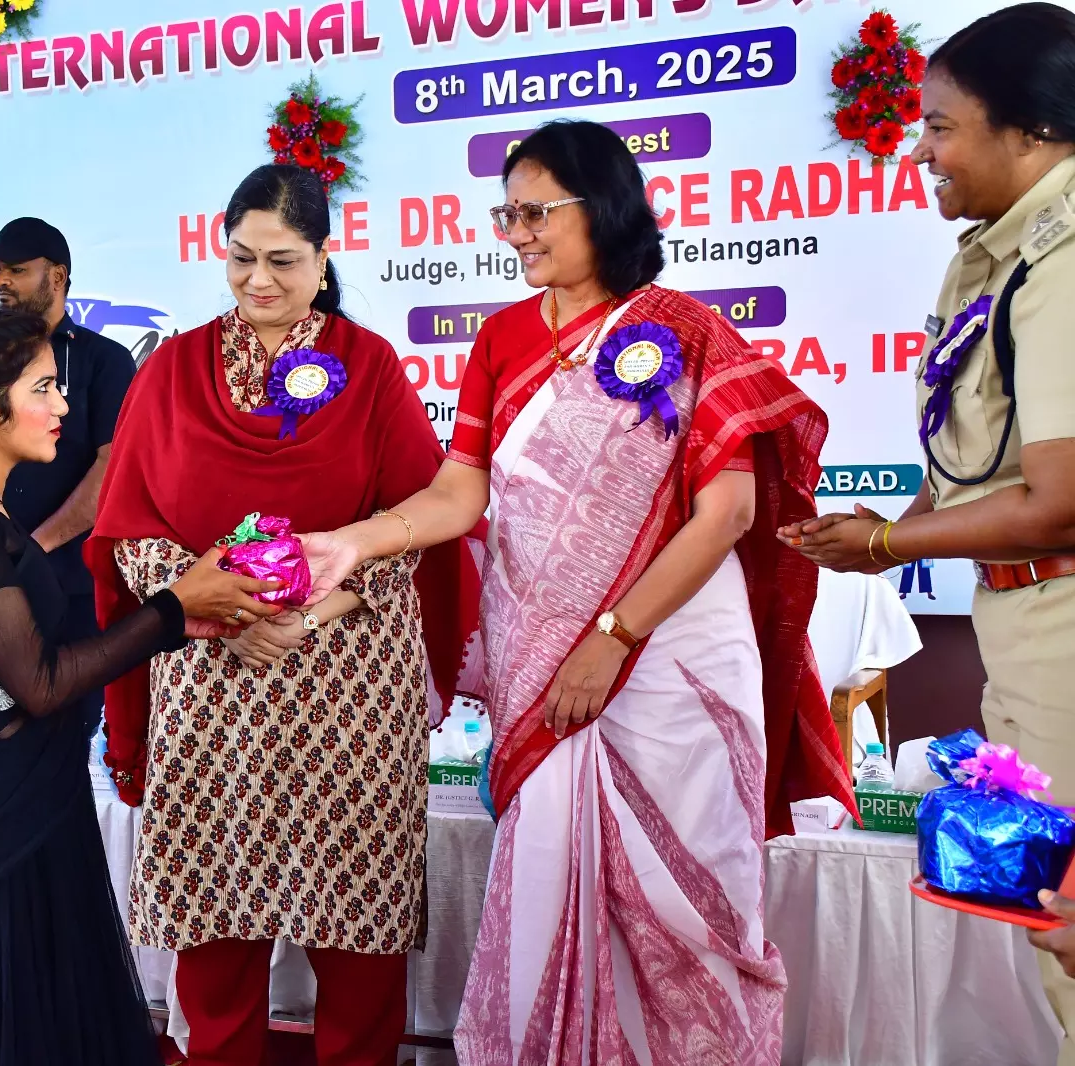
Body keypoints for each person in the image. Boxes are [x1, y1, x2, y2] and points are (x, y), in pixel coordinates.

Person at [300, 121, 853, 1063]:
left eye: (533, 212)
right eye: (504, 212)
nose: (513, 231)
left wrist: (613, 636)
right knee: (550, 887)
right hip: (544, 665)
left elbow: (725, 513)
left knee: (693, 909)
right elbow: (460, 489)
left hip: (670, 658)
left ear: (602, 206)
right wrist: (353, 541)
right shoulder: (504, 336)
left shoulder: (684, 329)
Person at [88, 164, 481, 1065]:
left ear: (324, 257)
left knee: (358, 935)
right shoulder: (175, 369)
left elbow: (415, 523)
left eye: (283, 260)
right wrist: (223, 609)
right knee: (217, 934)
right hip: (210, 681)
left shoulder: (369, 365)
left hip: (348, 680)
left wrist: (304, 613)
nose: (258, 280)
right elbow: (129, 531)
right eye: (240, 258)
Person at [0, 305, 281, 1066]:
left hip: (25, 796)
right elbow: (40, 683)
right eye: (43, 389)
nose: (64, 408)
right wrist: (176, 608)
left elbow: (41, 660)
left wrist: (189, 616)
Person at [781, 6, 1075, 1055]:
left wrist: (887, 549)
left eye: (943, 126)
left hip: (1061, 615)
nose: (922, 150)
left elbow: (1059, 498)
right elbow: (973, 456)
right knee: (1049, 924)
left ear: (1029, 132)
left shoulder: (1065, 256)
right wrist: (886, 525)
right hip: (1021, 618)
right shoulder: (988, 255)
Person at [0, 217, 135, 734]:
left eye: (17, 269)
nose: (1, 281)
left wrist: (33, 549)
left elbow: (113, 469)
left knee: (63, 738)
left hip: (70, 585)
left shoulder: (103, 361)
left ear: (58, 276)